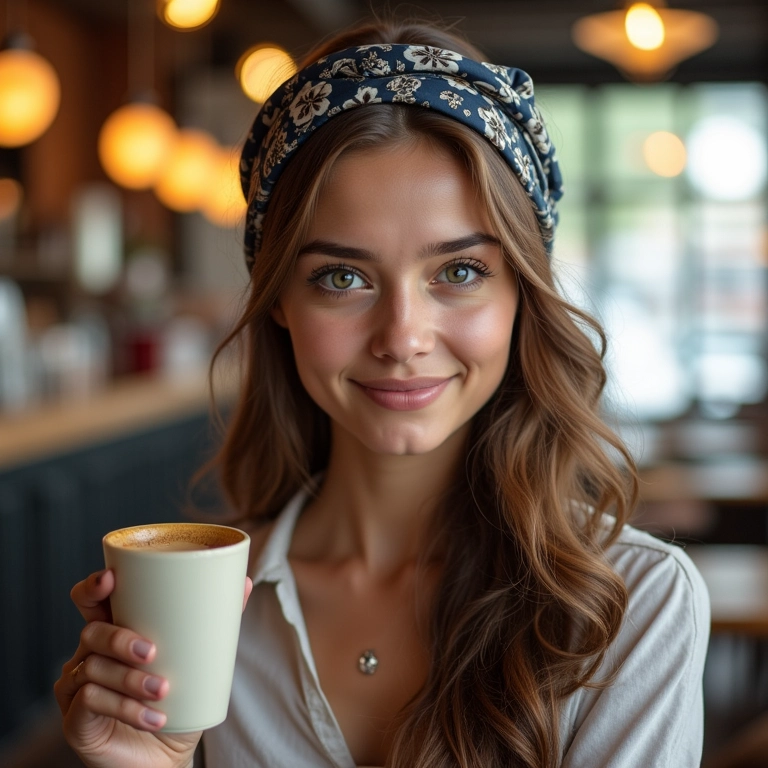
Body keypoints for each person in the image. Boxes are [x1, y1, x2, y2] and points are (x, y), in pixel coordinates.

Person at [54, 17, 710, 768]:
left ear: (522, 293)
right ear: (279, 301)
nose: (403, 336)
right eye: (343, 277)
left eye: (459, 272)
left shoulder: (634, 602)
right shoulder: (208, 613)